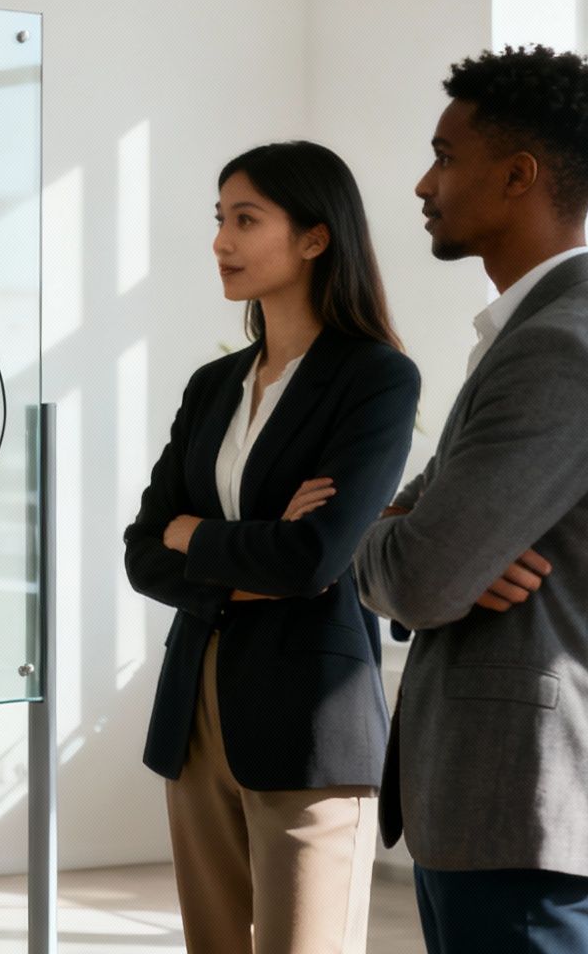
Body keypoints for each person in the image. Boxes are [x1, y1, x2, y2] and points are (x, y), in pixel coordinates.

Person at [354, 45, 588, 954]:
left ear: (519, 175)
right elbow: (426, 539)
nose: (424, 183)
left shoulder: (561, 347)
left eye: (445, 157)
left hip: (521, 799)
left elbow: (422, 578)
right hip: (496, 801)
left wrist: (393, 539)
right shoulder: (538, 332)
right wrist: (421, 539)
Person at [125, 141, 420, 954]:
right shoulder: (211, 387)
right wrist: (249, 552)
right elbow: (143, 550)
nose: (221, 240)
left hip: (310, 721)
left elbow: (313, 559)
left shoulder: (376, 379)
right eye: (220, 219)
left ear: (315, 237)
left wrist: (196, 536)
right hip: (195, 712)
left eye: (246, 220)